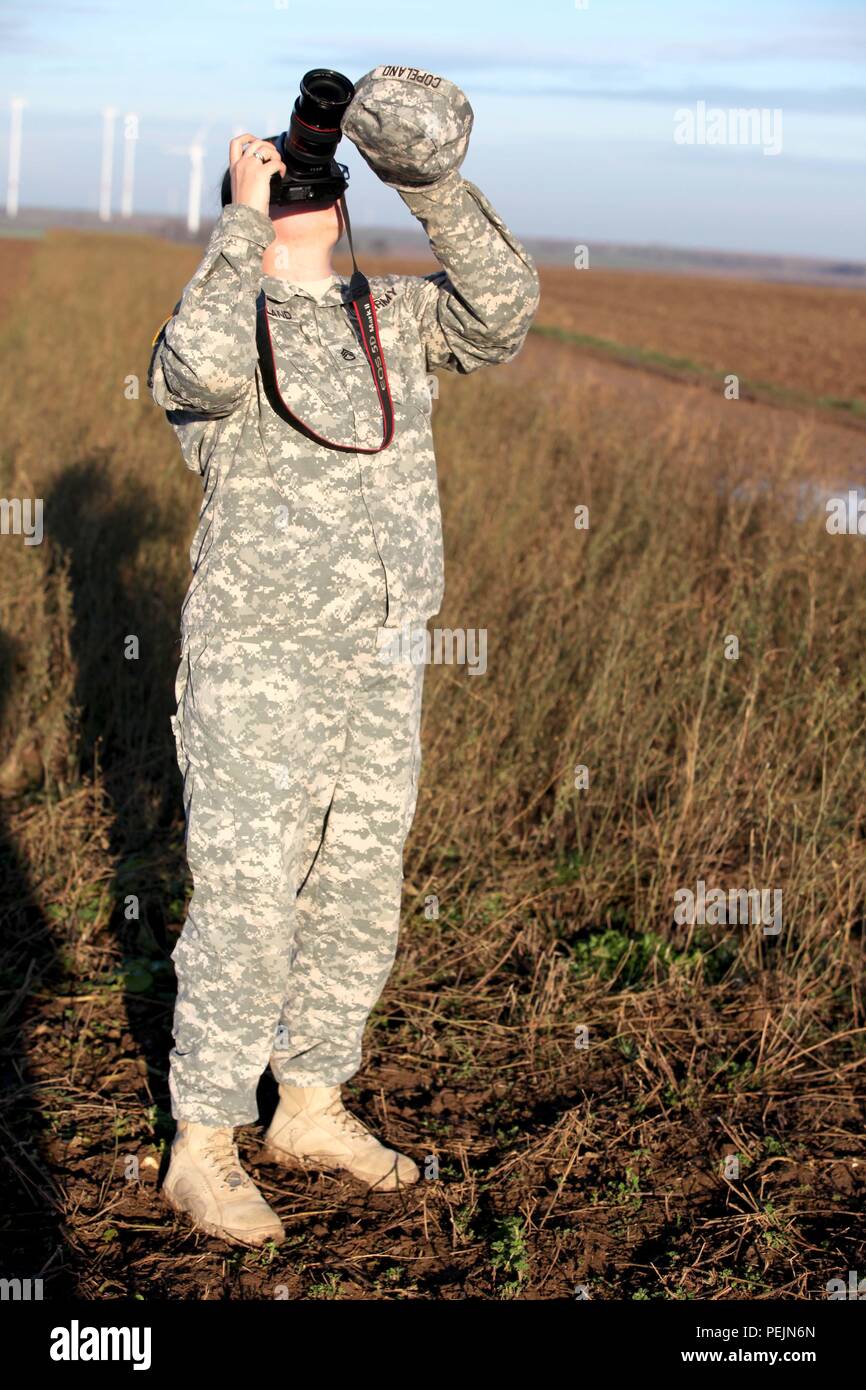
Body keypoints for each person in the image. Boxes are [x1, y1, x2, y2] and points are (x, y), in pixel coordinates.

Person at [150, 68, 540, 1246]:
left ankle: (311, 1100)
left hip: (381, 653)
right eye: (288, 182)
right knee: (250, 895)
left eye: (314, 186)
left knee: (359, 885)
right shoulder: (222, 321)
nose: (301, 195)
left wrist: (429, 183)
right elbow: (199, 374)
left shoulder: (396, 322)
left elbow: (504, 307)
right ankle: (201, 1140)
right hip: (256, 660)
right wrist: (239, 219)